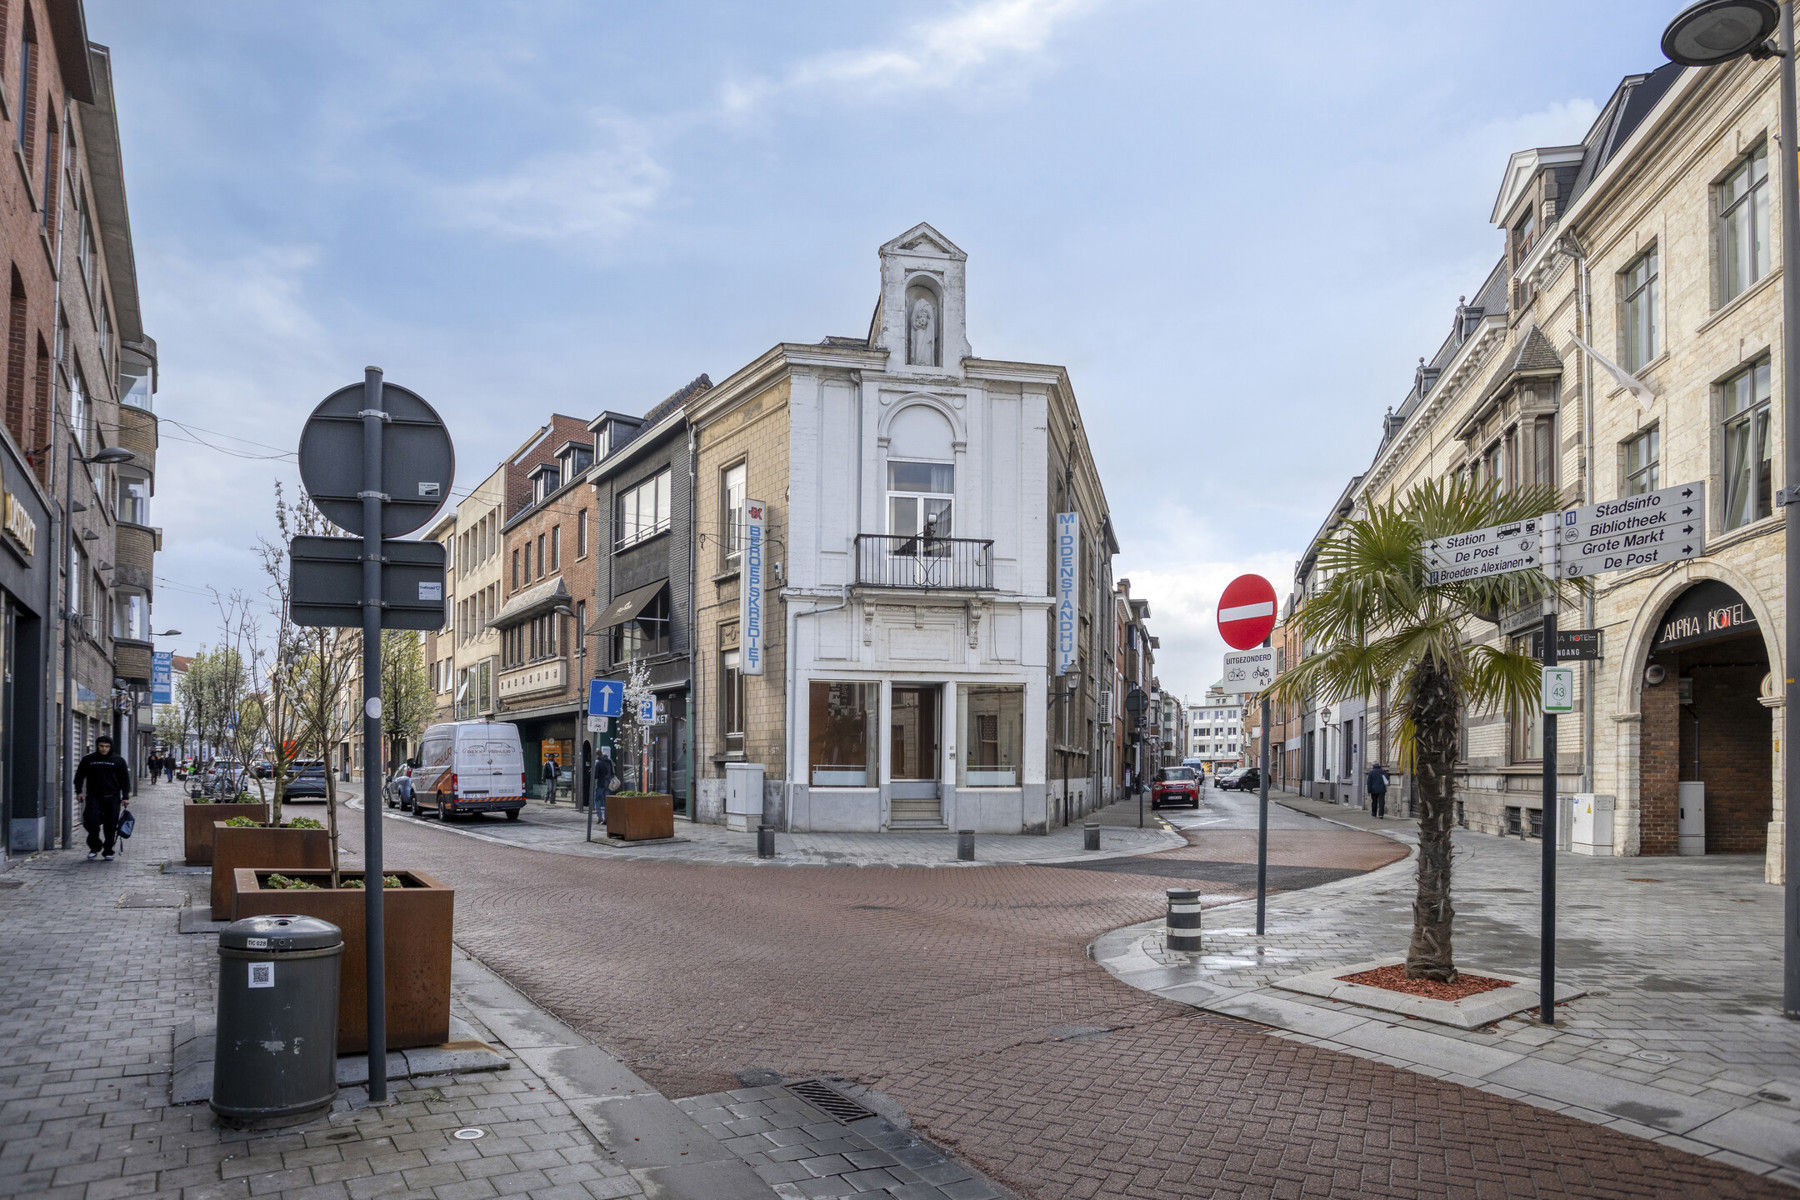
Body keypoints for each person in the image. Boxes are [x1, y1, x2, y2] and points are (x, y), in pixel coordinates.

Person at [75, 735, 132, 861]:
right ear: (97, 746)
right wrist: (78, 791)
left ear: (110, 747)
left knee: (110, 826)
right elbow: (79, 776)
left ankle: (108, 851)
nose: (104, 749)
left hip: (112, 798)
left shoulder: (118, 760)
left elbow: (125, 780)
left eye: (107, 746)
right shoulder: (89, 759)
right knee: (91, 822)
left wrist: (126, 796)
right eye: (101, 746)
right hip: (94, 797)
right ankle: (95, 846)